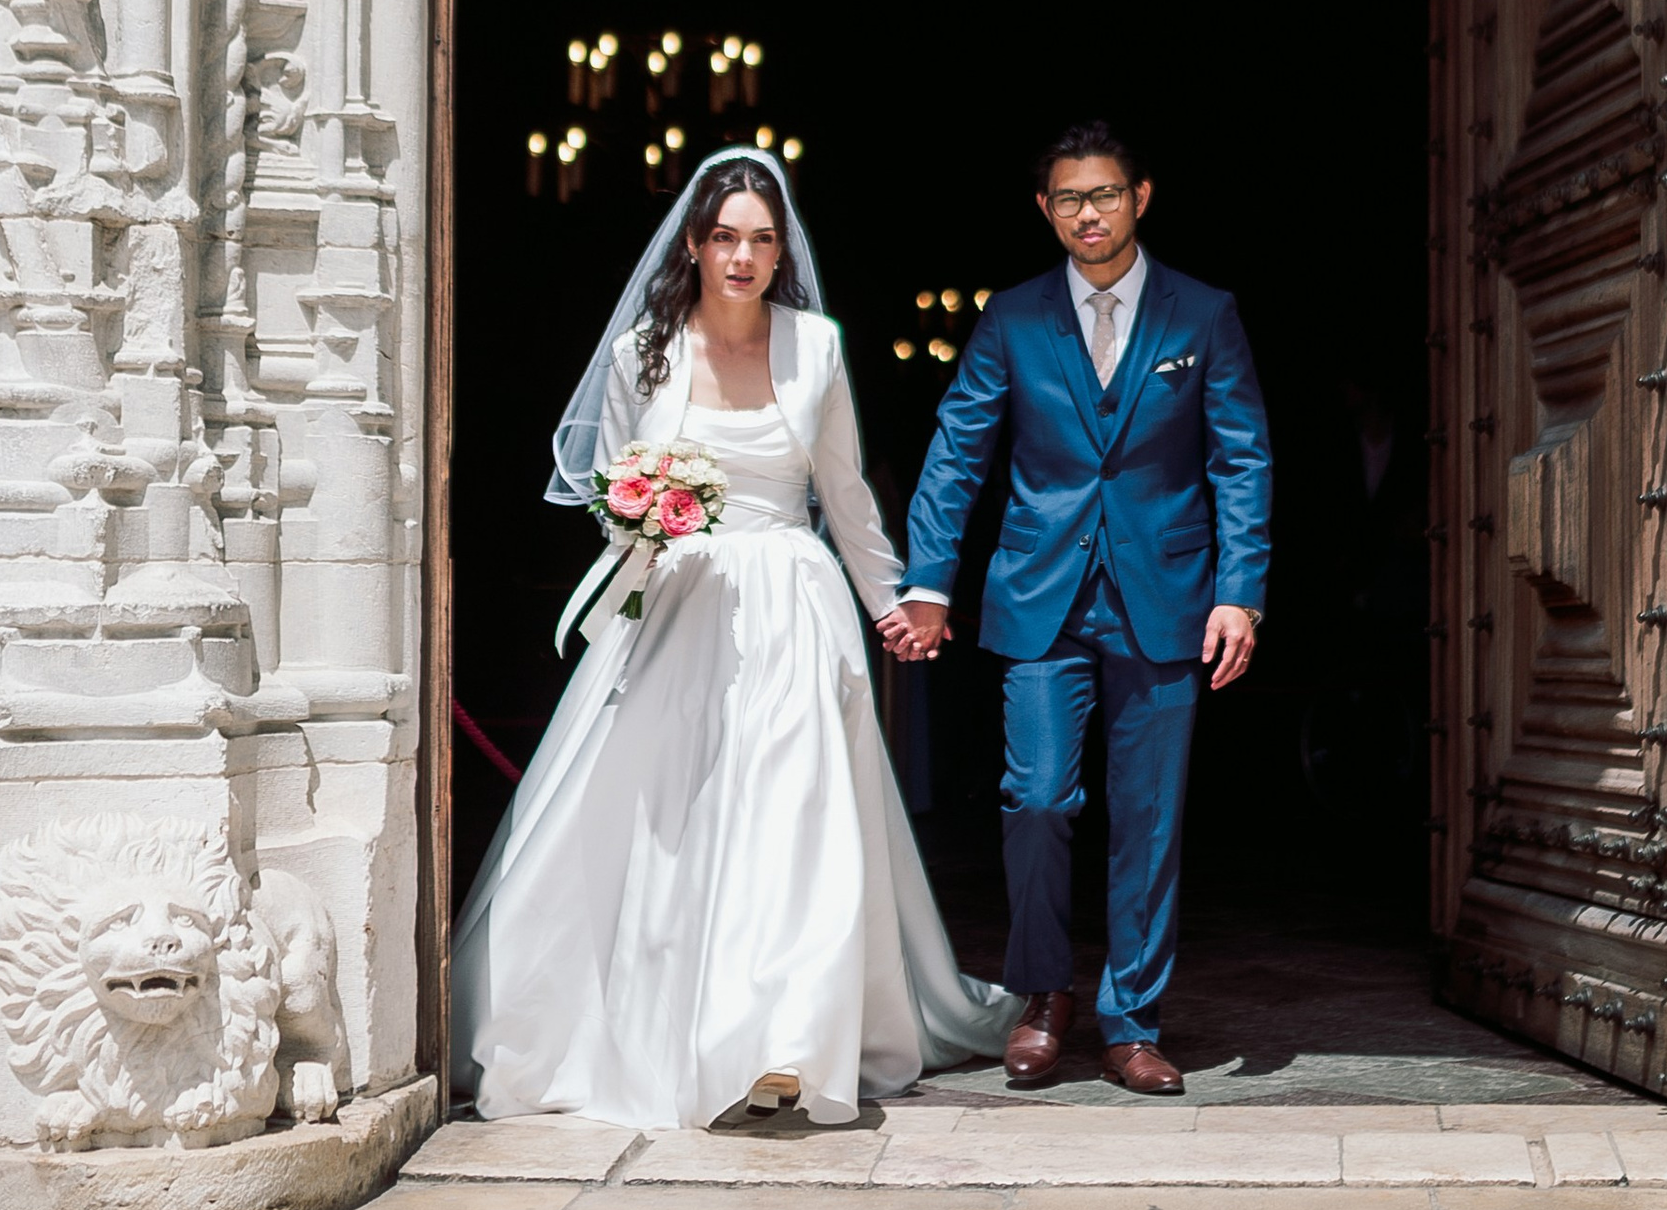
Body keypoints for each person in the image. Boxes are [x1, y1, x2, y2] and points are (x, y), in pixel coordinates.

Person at [451, 152, 1015, 1130]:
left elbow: (844, 492)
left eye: (761, 237)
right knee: (668, 821)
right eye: (725, 236)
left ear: (780, 247)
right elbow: (616, 494)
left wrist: (893, 601)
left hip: (794, 600)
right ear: (694, 244)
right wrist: (646, 519)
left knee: (792, 820)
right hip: (680, 604)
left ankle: (783, 1041)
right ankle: (672, 1023)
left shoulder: (818, 346)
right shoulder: (643, 353)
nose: (743, 254)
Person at [902, 123, 1272, 1096]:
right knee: (1034, 799)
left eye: (1104, 193)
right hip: (1039, 599)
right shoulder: (1012, 317)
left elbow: (1241, 457)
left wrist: (1240, 590)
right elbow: (956, 450)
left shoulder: (1203, 314)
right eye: (1069, 198)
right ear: (1044, 209)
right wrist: (929, 579)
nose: (1089, 213)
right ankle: (1040, 993)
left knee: (1147, 820)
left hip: (1166, 598)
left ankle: (1131, 1020)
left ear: (1140, 195)